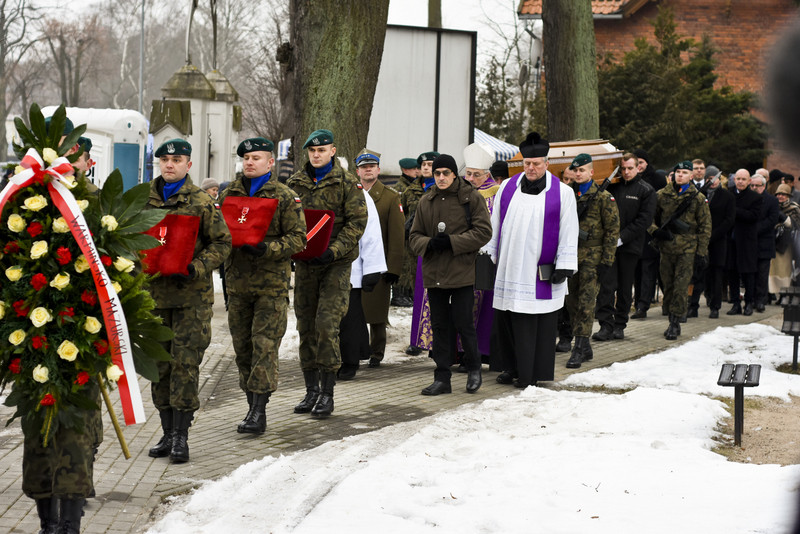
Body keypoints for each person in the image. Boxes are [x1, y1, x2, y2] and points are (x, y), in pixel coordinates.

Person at [145, 138, 232, 463]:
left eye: (177, 159)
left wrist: (196, 266)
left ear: (188, 165)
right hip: (152, 298)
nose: (170, 164)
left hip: (190, 299)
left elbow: (222, 242)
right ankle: (167, 432)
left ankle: (181, 435)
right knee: (158, 367)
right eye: (165, 159)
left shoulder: (201, 201)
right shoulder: (143, 200)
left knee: (185, 365)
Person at [219, 137, 306, 434]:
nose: (249, 162)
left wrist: (267, 249)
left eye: (256, 157)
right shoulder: (228, 194)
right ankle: (250, 402)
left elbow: (298, 238)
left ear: (270, 162)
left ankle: (259, 410)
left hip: (271, 285)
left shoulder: (284, 196)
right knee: (243, 348)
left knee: (264, 346)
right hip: (237, 284)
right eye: (246, 158)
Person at [487, 132, 579, 387]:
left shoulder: (562, 193)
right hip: (509, 266)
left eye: (536, 164)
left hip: (539, 271)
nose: (531, 168)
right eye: (527, 163)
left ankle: (532, 373)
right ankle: (510, 367)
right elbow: (495, 224)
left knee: (535, 323)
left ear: (547, 164)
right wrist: (489, 254)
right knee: (507, 319)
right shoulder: (507, 187)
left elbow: (569, 228)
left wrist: (565, 264)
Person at [287, 129, 367, 418]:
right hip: (306, 265)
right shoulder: (295, 183)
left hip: (335, 264)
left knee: (326, 326)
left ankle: (327, 392)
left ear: (333, 151)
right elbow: (286, 220)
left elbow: (357, 224)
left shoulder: (347, 183)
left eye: (322, 150)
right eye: (312, 151)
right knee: (306, 327)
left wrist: (334, 250)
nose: (316, 154)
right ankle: (310, 391)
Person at [409, 154, 492, 395]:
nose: (441, 177)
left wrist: (453, 242)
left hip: (462, 273)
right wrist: (429, 244)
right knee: (440, 326)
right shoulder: (427, 201)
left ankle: (474, 368)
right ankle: (442, 377)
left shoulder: (470, 198)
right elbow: (414, 237)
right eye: (437, 173)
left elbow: (483, 232)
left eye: (446, 173)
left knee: (464, 323)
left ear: (455, 174)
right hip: (435, 274)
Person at [564, 154, 619, 367]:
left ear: (591, 172)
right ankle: (585, 345)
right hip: (570, 256)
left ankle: (578, 347)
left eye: (582, 170)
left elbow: (612, 230)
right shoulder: (567, 195)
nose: (578, 174)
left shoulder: (604, 197)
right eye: (575, 170)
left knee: (587, 303)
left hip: (592, 258)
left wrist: (607, 261)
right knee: (572, 303)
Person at [594, 152, 655, 341]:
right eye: (623, 168)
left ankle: (620, 325)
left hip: (630, 246)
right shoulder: (613, 187)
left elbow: (644, 220)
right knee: (606, 285)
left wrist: (621, 238)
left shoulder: (646, 190)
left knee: (624, 287)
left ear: (638, 168)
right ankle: (605, 324)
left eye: (630, 168)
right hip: (608, 246)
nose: (626, 172)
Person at [649, 160, 711, 340]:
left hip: (688, 248)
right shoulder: (662, 195)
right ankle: (670, 314)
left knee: (681, 286)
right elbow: (650, 218)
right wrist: (656, 232)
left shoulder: (698, 198)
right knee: (667, 285)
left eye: (684, 172)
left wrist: (701, 252)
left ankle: (675, 323)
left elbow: (705, 227)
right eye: (678, 172)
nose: (680, 175)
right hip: (666, 248)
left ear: (691, 176)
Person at [356, 149, 405, 369]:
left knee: (376, 313)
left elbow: (396, 234)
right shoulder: (352, 194)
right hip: (356, 262)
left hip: (380, 263)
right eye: (364, 167)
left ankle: (377, 351)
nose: (368, 170)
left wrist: (393, 267)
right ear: (357, 171)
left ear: (378, 169)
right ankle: (357, 348)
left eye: (372, 166)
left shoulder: (390, 197)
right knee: (355, 311)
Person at [338, 183, 386, 380]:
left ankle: (350, 360)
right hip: (319, 267)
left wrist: (372, 268)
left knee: (350, 319)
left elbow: (371, 232)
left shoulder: (357, 193)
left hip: (351, 267)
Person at [402, 151, 439, 353]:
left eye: (430, 164)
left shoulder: (442, 188)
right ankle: (417, 340)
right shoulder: (410, 191)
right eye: (423, 164)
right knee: (418, 299)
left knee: (436, 299)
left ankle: (435, 342)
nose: (426, 167)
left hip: (435, 249)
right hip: (415, 249)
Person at [688, 165, 734, 318]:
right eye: (709, 179)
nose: (712, 182)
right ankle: (692, 305)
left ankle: (715, 306)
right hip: (700, 242)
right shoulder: (699, 195)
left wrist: (712, 235)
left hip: (718, 242)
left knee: (716, 276)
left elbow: (729, 221)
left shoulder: (727, 196)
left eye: (715, 179)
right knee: (697, 275)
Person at [632, 148, 667, 319]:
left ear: (647, 163)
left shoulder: (657, 179)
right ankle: (638, 302)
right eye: (635, 163)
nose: (638, 166)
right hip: (634, 232)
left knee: (649, 270)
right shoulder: (629, 178)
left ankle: (644, 305)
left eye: (641, 163)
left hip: (651, 232)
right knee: (637, 271)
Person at [726, 169, 763, 316]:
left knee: (748, 274)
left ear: (749, 181)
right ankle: (736, 303)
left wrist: (734, 211)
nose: (740, 181)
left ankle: (749, 302)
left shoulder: (755, 197)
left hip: (747, 241)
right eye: (738, 179)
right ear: (734, 180)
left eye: (744, 179)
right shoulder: (728, 194)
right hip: (730, 240)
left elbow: (753, 216)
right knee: (732, 273)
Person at [752, 174, 783, 311]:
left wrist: (754, 230)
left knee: (762, 274)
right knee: (749, 273)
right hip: (749, 243)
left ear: (763, 186)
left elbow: (773, 219)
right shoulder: (747, 199)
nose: (754, 188)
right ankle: (750, 299)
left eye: (757, 186)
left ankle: (760, 300)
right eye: (751, 185)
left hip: (764, 242)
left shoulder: (772, 201)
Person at [770, 184, 800, 295]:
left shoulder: (794, 207)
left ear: (788, 196)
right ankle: (773, 292)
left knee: (786, 269)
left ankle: (785, 293)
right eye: (778, 194)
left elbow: (797, 225)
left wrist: (785, 221)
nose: (780, 196)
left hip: (788, 244)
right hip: (774, 241)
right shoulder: (773, 206)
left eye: (783, 194)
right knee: (773, 269)